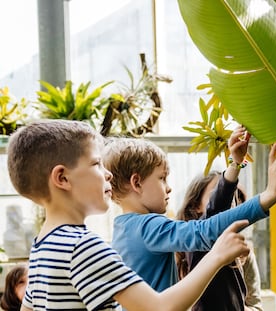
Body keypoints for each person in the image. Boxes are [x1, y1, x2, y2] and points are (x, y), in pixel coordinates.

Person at [6, 119, 252, 311]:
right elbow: (160, 307)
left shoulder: (42, 246)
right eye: (96, 165)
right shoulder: (84, 246)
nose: (109, 174)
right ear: (62, 178)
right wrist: (217, 256)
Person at [103, 125, 276, 294]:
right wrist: (269, 195)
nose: (169, 187)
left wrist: (236, 163)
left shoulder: (123, 228)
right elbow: (205, 231)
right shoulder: (148, 227)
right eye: (162, 178)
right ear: (136, 182)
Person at [175, 130, 263, 310]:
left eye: (234, 199)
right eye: (217, 194)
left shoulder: (244, 254)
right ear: (195, 206)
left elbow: (256, 305)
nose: (229, 204)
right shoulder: (177, 252)